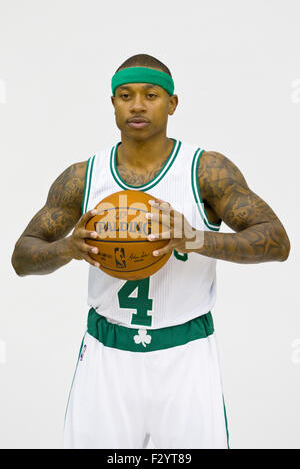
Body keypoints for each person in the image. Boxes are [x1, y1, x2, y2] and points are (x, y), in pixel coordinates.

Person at [11, 54, 290, 449]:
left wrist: (195, 238)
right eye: (125, 95)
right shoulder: (83, 176)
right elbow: (22, 256)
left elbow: (277, 242)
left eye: (151, 95)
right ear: (113, 104)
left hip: (185, 354)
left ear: (172, 104)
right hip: (107, 354)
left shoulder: (205, 170)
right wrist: (68, 248)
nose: (137, 105)